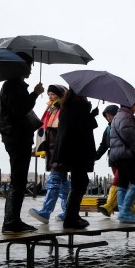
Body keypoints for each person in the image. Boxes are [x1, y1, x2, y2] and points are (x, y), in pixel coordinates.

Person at [0, 52, 43, 233]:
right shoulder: (14, 85)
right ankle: (11, 221)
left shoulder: (12, 85)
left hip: (14, 136)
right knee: (18, 179)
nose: (30, 70)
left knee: (19, 179)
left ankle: (13, 219)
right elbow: (20, 109)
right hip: (16, 136)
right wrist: (35, 94)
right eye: (28, 66)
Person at [52, 89, 97, 229]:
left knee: (79, 182)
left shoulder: (67, 106)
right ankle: (71, 218)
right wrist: (90, 113)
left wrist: (90, 114)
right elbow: (83, 128)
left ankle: (72, 215)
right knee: (80, 183)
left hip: (70, 151)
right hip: (78, 151)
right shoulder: (78, 107)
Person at [29, 85, 71, 224]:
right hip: (54, 152)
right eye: (49, 94)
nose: (50, 97)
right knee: (64, 185)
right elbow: (46, 132)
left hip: (58, 153)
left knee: (53, 182)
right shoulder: (51, 110)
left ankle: (45, 212)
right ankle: (68, 212)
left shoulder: (61, 110)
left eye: (53, 94)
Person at [95, 105, 135, 217]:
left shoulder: (124, 123)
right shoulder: (108, 129)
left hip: (125, 157)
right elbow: (103, 145)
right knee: (123, 183)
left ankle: (109, 206)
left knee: (117, 182)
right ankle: (131, 207)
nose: (109, 118)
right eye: (107, 116)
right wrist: (95, 156)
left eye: (110, 115)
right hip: (113, 159)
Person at [109, 104, 135, 223]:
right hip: (125, 154)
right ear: (131, 105)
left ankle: (122, 211)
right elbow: (129, 136)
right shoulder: (126, 116)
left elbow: (124, 131)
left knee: (123, 184)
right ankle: (124, 212)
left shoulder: (118, 116)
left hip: (118, 154)